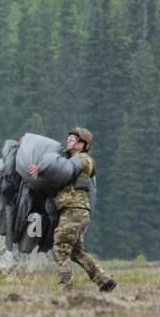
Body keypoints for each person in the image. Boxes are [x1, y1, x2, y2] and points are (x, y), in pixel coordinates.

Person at [28, 126, 117, 296]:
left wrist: (42, 169)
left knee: (60, 249)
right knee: (76, 251)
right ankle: (104, 281)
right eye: (69, 137)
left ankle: (66, 292)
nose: (69, 140)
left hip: (73, 211)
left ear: (82, 144)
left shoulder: (83, 159)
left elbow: (63, 170)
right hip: (76, 211)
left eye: (74, 138)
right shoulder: (72, 160)